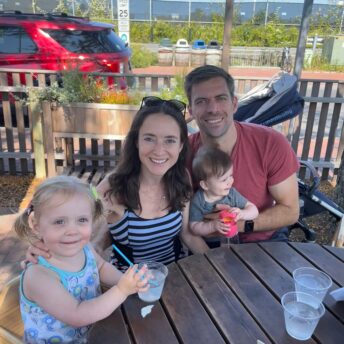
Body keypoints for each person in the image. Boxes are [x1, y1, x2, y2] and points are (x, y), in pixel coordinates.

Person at [25, 96, 209, 269]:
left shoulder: (181, 176)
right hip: (125, 287)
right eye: (149, 138)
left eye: (170, 140)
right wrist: (45, 246)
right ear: (136, 141)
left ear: (181, 146)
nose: (159, 150)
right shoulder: (114, 184)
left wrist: (216, 264)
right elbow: (71, 209)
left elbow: (186, 234)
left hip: (174, 278)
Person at [14, 175, 148, 344]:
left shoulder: (85, 248)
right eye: (59, 221)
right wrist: (121, 290)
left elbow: (101, 267)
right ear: (36, 224)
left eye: (82, 220)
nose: (72, 231)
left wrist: (128, 281)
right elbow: (77, 314)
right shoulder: (39, 276)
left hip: (93, 330)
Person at [185, 65, 300, 243]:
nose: (213, 109)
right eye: (201, 101)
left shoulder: (271, 143)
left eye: (221, 98)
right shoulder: (182, 153)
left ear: (235, 104)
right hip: (207, 245)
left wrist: (239, 224)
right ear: (191, 111)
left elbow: (290, 210)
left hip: (263, 242)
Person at [189, 146, 258, 243]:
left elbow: (254, 210)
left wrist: (242, 214)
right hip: (208, 244)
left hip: (232, 240)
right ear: (205, 184)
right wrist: (212, 226)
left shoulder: (231, 194)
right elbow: (193, 227)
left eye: (231, 176)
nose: (230, 181)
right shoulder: (198, 200)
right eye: (224, 179)